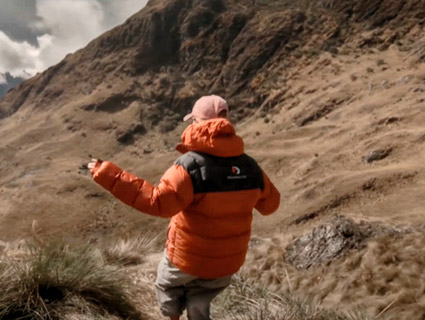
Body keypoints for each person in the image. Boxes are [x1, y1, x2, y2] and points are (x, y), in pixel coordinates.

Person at [86, 95, 281, 320]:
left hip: (187, 259)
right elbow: (270, 206)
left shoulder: (189, 167)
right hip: (227, 262)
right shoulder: (251, 167)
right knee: (202, 297)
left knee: (166, 286)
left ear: (197, 123)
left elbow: (157, 203)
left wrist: (108, 174)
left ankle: (173, 317)